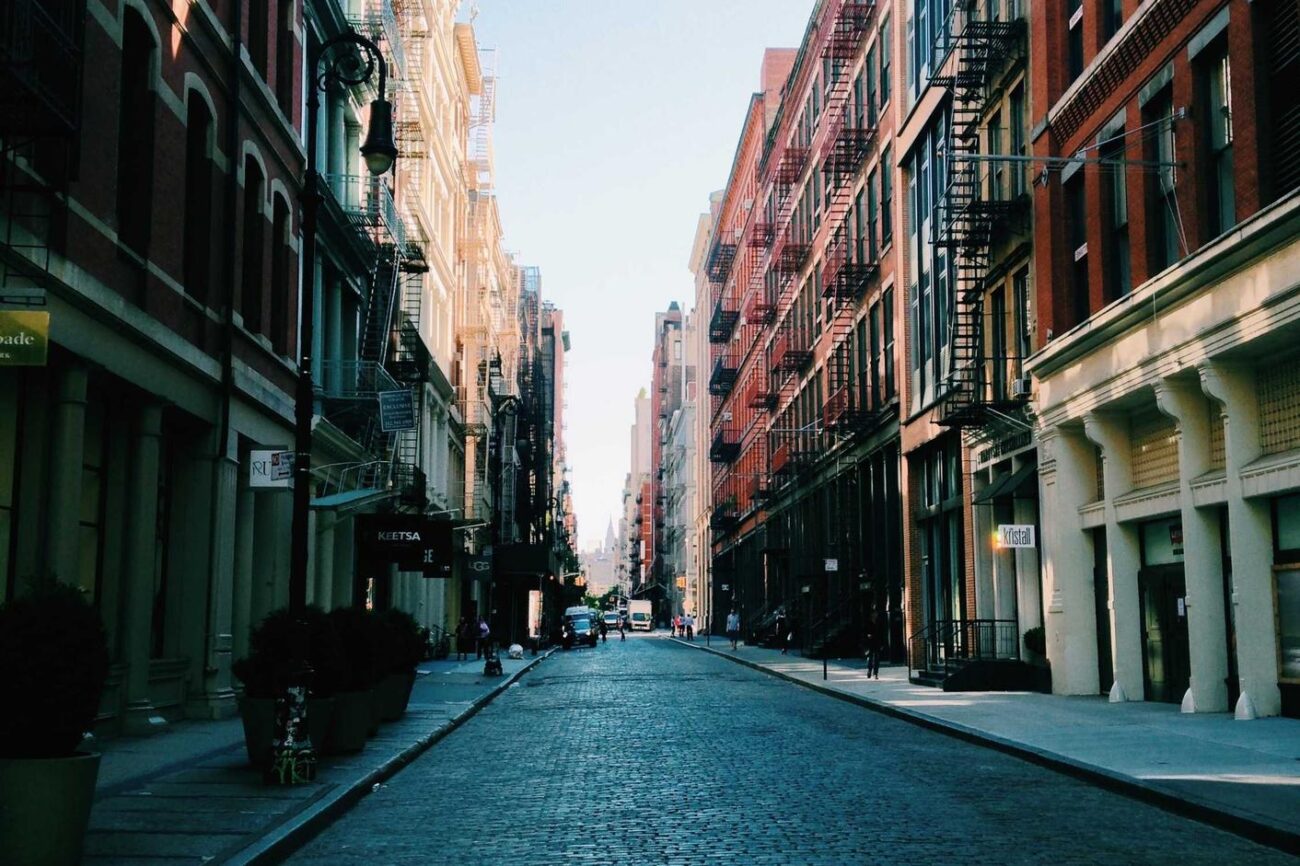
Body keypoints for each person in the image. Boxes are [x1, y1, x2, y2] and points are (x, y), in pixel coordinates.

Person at [864, 608, 883, 679]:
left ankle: (876, 673)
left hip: (877, 642)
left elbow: (882, 633)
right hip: (870, 642)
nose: (875, 615)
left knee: (877, 658)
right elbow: (864, 632)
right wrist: (867, 635)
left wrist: (882, 644)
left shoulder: (879, 622)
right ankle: (869, 670)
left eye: (876, 614)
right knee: (870, 657)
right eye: (874, 614)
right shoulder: (868, 622)